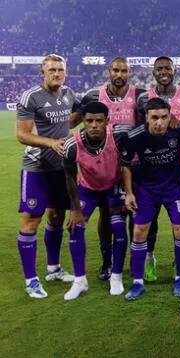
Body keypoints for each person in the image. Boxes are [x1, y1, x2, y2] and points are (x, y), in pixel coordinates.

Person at [77, 56, 146, 280]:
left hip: (132, 164)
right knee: (106, 214)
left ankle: (137, 262)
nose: (119, 75)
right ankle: (107, 262)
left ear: (130, 72)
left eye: (124, 71)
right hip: (102, 165)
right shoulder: (93, 96)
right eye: (116, 70)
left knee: (134, 213)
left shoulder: (140, 94)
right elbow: (71, 122)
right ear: (109, 70)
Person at [16, 54, 78, 298]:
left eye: (60, 70)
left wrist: (70, 129)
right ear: (42, 73)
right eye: (51, 69)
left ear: (66, 73)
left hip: (60, 167)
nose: (56, 73)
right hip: (36, 167)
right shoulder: (31, 97)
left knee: (56, 216)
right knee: (32, 220)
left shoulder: (69, 95)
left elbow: (69, 120)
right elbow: (22, 134)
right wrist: (51, 142)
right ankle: (31, 280)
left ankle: (54, 269)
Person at [121, 98, 180, 301]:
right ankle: (137, 283)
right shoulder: (135, 136)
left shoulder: (177, 129)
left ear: (169, 116)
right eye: (154, 117)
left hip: (173, 189)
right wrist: (129, 192)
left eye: (164, 117)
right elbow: (126, 164)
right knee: (138, 231)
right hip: (147, 190)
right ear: (146, 118)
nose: (159, 122)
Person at [135, 56, 180, 282]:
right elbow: (138, 130)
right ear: (153, 72)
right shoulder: (144, 98)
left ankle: (177, 262)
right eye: (159, 68)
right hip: (149, 164)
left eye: (167, 68)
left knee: (179, 220)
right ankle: (149, 258)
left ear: (174, 71)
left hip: (179, 165)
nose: (163, 72)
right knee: (149, 217)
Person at [62, 102, 130, 299]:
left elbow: (126, 165)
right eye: (89, 121)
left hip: (113, 188)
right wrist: (75, 209)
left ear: (107, 121)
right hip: (88, 190)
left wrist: (128, 191)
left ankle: (116, 276)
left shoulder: (118, 136)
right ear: (83, 120)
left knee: (118, 227)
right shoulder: (72, 144)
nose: (93, 125)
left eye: (98, 121)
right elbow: (69, 177)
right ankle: (80, 281)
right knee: (75, 227)